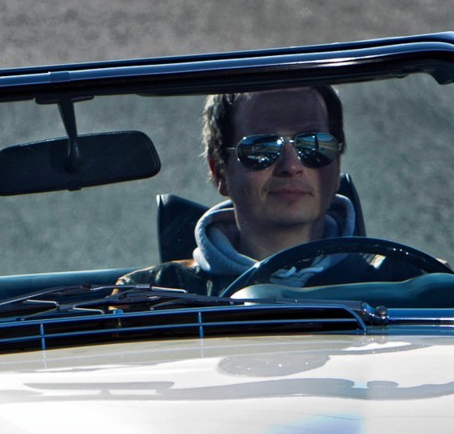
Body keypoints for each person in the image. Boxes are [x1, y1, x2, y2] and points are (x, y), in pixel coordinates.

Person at [127, 84, 363, 296]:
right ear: (220, 172)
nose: (291, 166)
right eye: (261, 148)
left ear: (337, 165)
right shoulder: (151, 298)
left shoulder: (385, 281)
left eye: (314, 145)